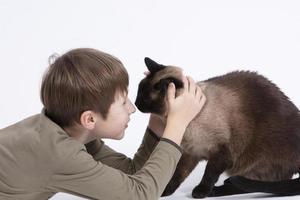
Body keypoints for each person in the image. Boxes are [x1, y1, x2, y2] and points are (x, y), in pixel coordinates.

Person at [0, 48, 206, 200]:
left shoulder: (72, 132)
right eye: (123, 101)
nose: (132, 108)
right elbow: (141, 195)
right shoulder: (59, 152)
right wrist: (177, 125)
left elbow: (132, 174)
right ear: (89, 119)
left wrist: (157, 120)